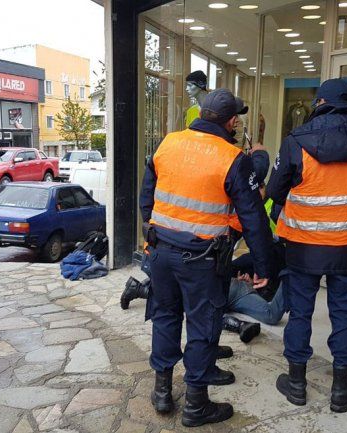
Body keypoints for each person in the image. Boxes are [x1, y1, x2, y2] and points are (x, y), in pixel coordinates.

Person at [140, 88, 273, 427]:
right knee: (202, 326)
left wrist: (149, 232)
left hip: (160, 251)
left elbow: (147, 194)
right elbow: (253, 216)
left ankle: (163, 391)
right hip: (201, 260)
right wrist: (263, 265)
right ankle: (196, 405)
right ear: (231, 121)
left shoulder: (167, 143)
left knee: (165, 317)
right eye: (237, 120)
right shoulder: (232, 157)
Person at [267, 78, 347, 413]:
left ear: (320, 103)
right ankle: (341, 389)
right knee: (344, 316)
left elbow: (275, 192)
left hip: (302, 247)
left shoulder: (296, 140)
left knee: (300, 313)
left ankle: (296, 383)